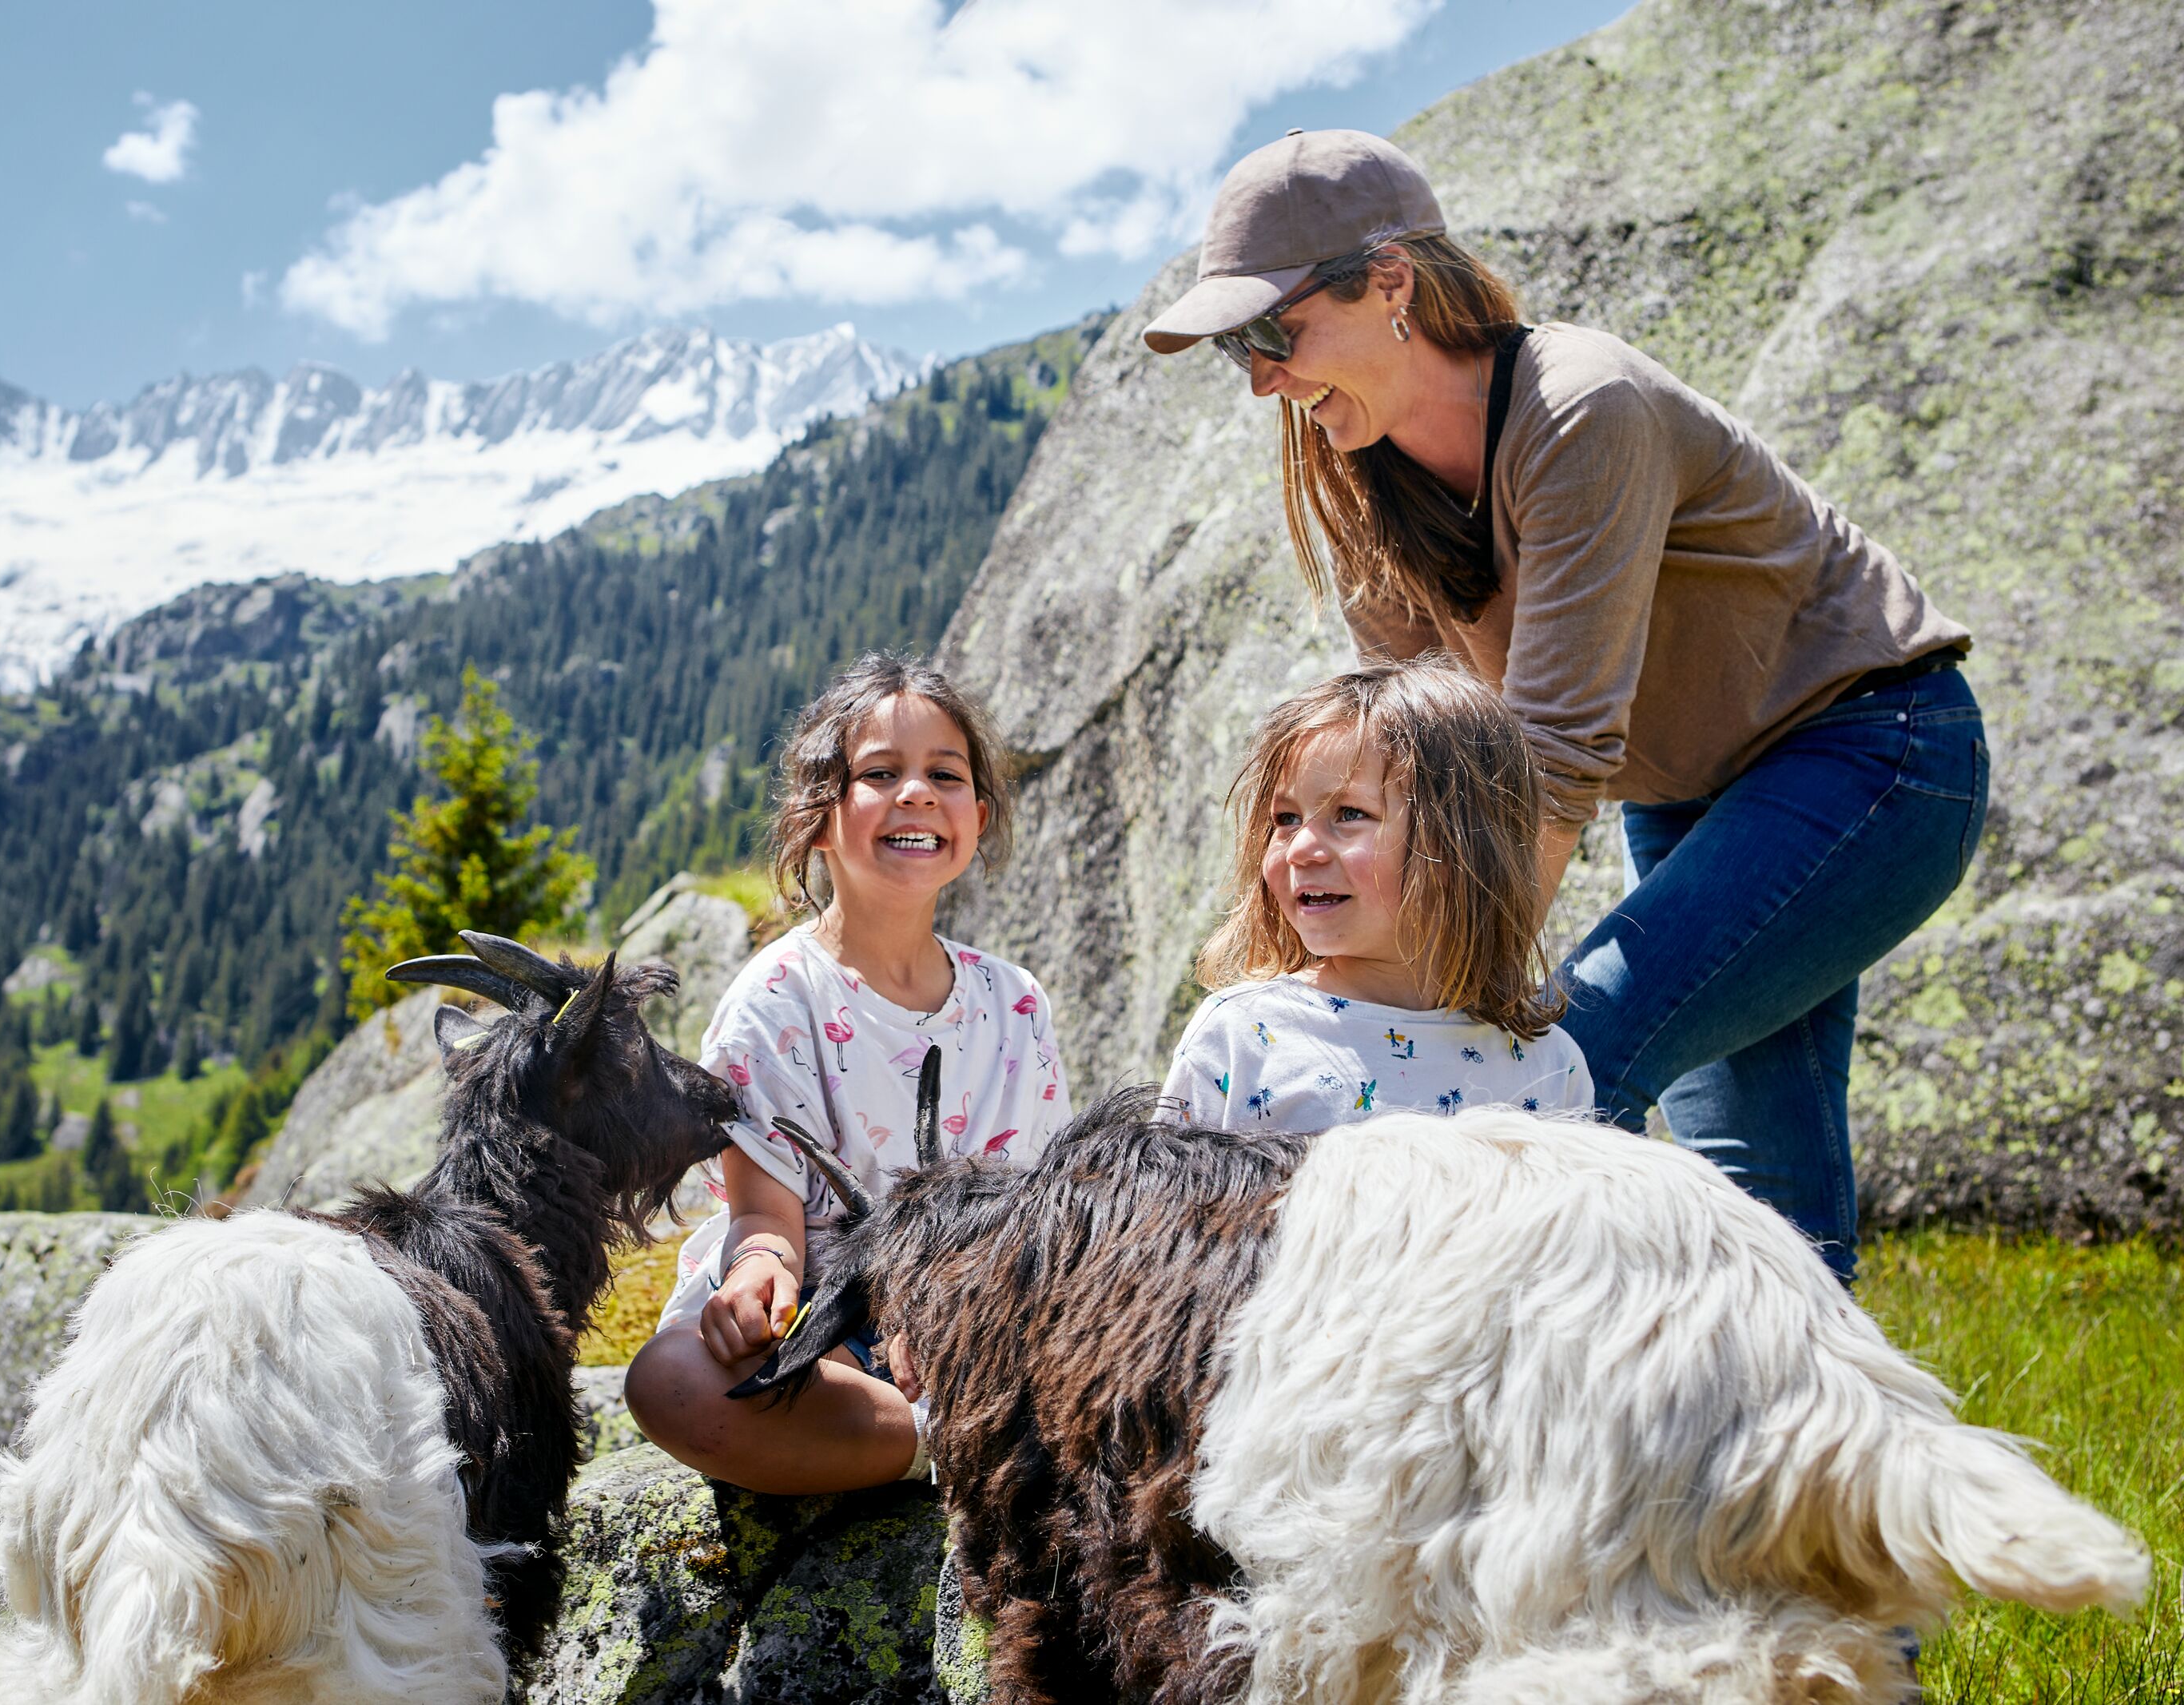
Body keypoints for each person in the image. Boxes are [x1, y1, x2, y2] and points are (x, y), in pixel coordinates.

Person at [1143, 129, 1984, 1281]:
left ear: (1389, 282)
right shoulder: (1360, 472)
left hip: (1872, 754)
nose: (1259, 379)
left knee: (1562, 1063)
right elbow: (1420, 758)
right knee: (1755, 1185)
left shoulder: (1582, 407)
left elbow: (1551, 754)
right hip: (1686, 793)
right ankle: (1782, 1397)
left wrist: (1445, 1010)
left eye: (1271, 333)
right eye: (1235, 347)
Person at [624, 651, 1067, 1493]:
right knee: (671, 1382)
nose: (916, 793)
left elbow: (1034, 1206)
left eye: (945, 774)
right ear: (819, 816)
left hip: (973, 1308)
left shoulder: (1013, 1003)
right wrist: (759, 1279)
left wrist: (950, 1314)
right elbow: (765, 1215)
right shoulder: (774, 1000)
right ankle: (942, 1443)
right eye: (879, 774)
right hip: (823, 1322)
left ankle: (943, 1423)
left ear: (976, 816)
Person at [1164, 660, 1589, 1131]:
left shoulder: (1550, 1067)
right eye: (1286, 819)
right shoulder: (1240, 1037)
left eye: (1350, 813)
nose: (1300, 849)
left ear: (1459, 845)